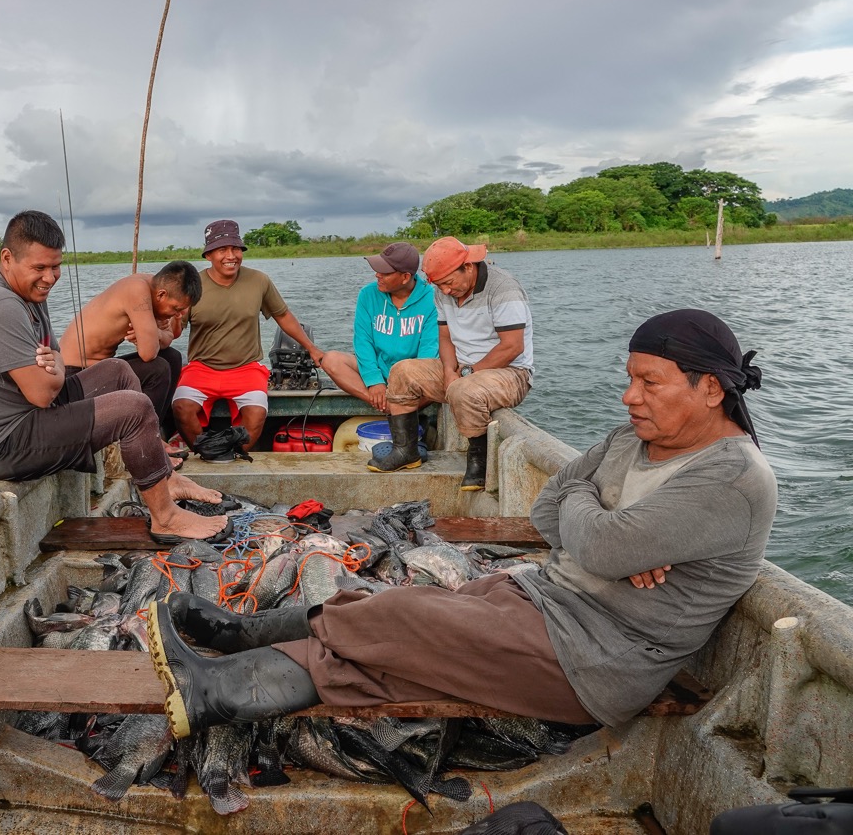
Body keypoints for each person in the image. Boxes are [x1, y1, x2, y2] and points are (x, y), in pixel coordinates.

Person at [145, 309, 776, 740]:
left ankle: (231, 656)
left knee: (399, 619)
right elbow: (549, 507)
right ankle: (221, 677)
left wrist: (608, 529)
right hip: (542, 598)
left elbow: (601, 543)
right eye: (628, 379)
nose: (628, 396)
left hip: (592, 658)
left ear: (712, 389)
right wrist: (611, 526)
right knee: (393, 625)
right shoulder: (631, 438)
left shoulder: (731, 478)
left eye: (649, 382)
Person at [0, 210, 228, 544]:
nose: (50, 277)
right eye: (39, 268)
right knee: (132, 408)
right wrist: (57, 367)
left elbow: (55, 359)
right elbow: (42, 393)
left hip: (30, 416)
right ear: (7, 258)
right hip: (4, 442)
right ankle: (165, 518)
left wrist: (56, 366)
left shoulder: (29, 296)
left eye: (55, 266)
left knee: (118, 371)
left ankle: (165, 478)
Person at [369, 236, 534, 487]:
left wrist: (468, 372)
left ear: (468, 267)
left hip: (510, 373)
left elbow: (512, 346)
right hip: (463, 368)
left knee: (463, 388)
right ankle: (406, 451)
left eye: (448, 283)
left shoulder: (503, 289)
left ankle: (479, 463)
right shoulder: (443, 291)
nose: (445, 291)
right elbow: (444, 336)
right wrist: (448, 370)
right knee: (402, 371)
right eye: (440, 285)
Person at [171, 219, 325, 451]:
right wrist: (154, 329)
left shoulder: (259, 280)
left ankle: (236, 456)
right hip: (202, 367)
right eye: (222, 250)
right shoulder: (193, 285)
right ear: (208, 255)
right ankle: (205, 453)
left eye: (236, 249)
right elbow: (173, 330)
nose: (230, 255)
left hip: (246, 367)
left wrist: (312, 348)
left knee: (256, 412)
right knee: (181, 406)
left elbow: (283, 316)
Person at [60, 260, 201, 444]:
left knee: (173, 357)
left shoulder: (158, 290)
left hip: (100, 369)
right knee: (157, 368)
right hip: (75, 377)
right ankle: (146, 442)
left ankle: (155, 434)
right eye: (176, 309)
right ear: (161, 294)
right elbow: (148, 354)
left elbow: (171, 336)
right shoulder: (137, 291)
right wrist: (156, 336)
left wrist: (155, 333)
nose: (178, 315)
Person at [319, 241, 438, 417]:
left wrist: (409, 385)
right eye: (377, 270)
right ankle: (389, 407)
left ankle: (399, 408)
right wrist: (374, 381)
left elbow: (428, 353)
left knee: (448, 373)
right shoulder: (368, 294)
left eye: (385, 272)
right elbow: (363, 341)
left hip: (413, 376)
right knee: (330, 360)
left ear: (405, 277)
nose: (377, 275)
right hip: (380, 369)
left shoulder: (433, 299)